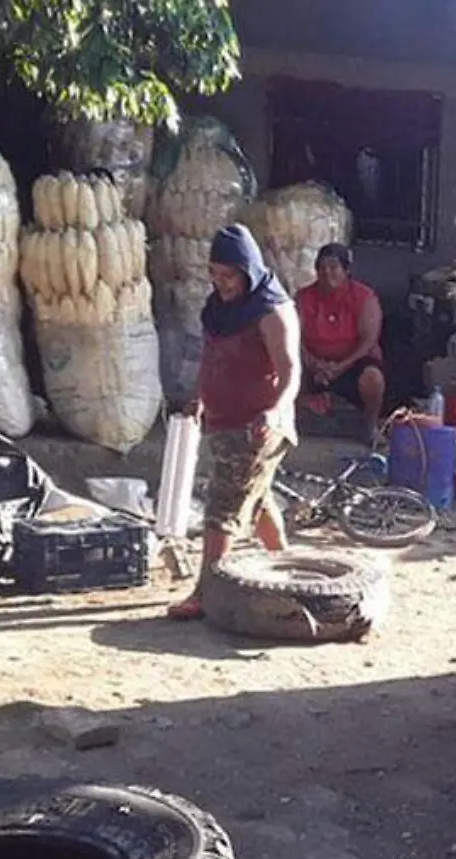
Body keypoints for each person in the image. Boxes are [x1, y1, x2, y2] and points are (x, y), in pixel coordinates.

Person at [167, 224, 301, 621]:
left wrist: (275, 410)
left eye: (229, 275)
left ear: (249, 270)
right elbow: (211, 358)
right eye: (215, 273)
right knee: (256, 500)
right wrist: (199, 396)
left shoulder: (273, 311)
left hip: (258, 426)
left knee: (222, 505)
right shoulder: (219, 309)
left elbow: (290, 370)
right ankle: (288, 568)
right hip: (224, 422)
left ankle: (206, 593)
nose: (221, 283)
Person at [296, 243, 386, 442]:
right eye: (322, 268)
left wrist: (340, 367)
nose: (327, 273)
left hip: (353, 362)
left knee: (373, 378)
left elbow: (369, 340)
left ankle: (370, 427)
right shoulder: (304, 298)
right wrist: (312, 363)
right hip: (314, 363)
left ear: (346, 270)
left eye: (333, 267)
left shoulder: (364, 297)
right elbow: (294, 336)